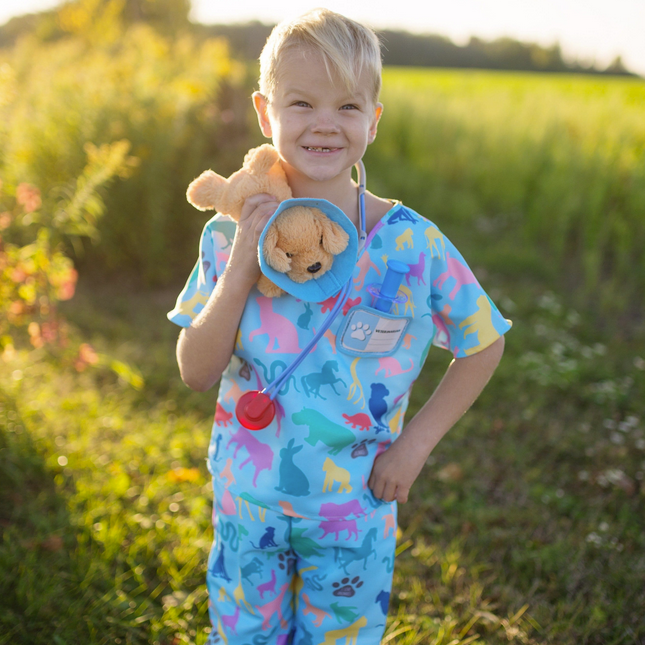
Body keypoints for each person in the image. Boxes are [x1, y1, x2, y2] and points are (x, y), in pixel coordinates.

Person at [168, 9, 511, 645]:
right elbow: (194, 370)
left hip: (354, 507)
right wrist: (243, 265)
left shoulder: (412, 245)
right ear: (266, 114)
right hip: (249, 501)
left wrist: (415, 447)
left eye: (348, 106)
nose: (325, 123)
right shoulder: (226, 235)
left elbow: (483, 342)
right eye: (301, 102)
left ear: (373, 121)